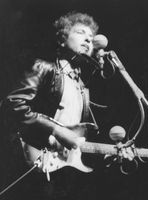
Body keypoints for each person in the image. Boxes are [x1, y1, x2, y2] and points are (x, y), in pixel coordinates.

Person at [0, 11, 134, 200]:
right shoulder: (44, 67)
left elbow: (77, 139)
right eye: (81, 33)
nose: (88, 40)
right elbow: (12, 105)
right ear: (62, 39)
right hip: (31, 161)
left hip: (63, 175)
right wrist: (55, 129)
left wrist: (108, 155)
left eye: (91, 38)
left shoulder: (82, 87)